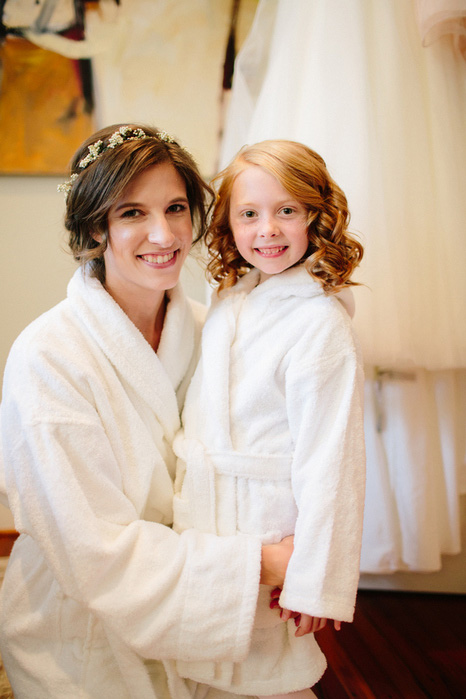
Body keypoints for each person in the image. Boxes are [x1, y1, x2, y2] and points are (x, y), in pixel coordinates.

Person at [0, 124, 295, 699]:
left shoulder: (217, 331)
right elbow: (91, 553)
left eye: (177, 208)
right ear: (94, 228)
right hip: (84, 625)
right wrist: (263, 565)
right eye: (132, 212)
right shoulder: (48, 357)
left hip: (216, 610)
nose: (163, 234)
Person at [171, 140, 366, 698]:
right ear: (228, 226)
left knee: (266, 668)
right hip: (206, 512)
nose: (268, 229)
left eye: (287, 211)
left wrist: (315, 579)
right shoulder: (230, 300)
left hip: (266, 518)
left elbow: (333, 460)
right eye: (249, 214)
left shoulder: (320, 323)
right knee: (200, 663)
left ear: (315, 216)